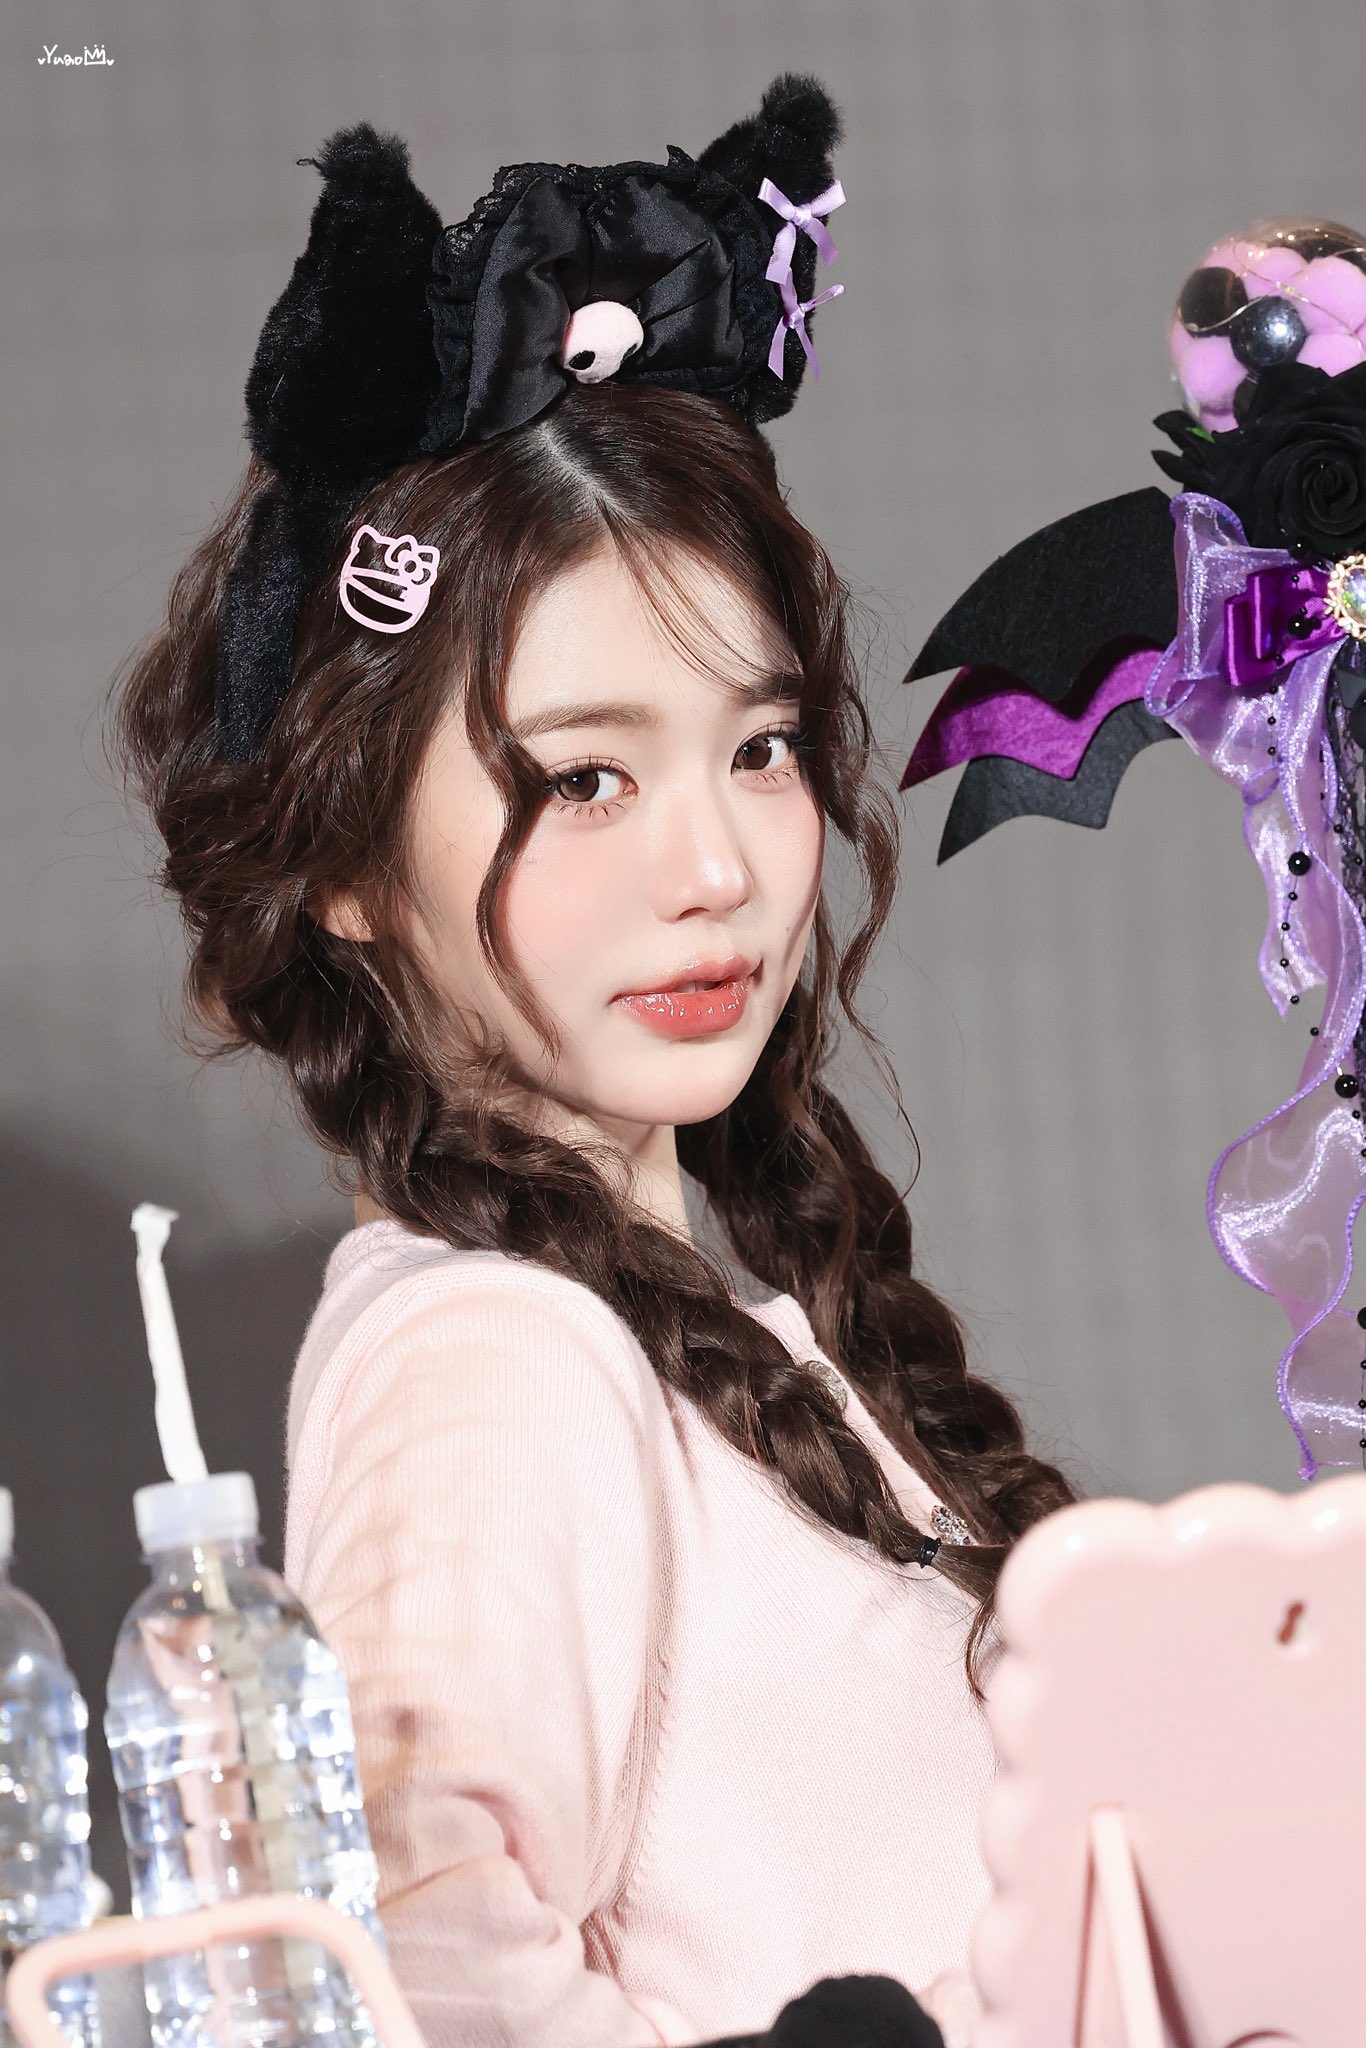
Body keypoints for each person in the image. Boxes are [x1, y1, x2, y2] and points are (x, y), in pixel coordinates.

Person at [111, 76, 1074, 2048]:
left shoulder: (651, 1326)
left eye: (758, 747)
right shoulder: (492, 1355)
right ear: (346, 858)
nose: (718, 865)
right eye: (584, 778)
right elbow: (429, 1992)